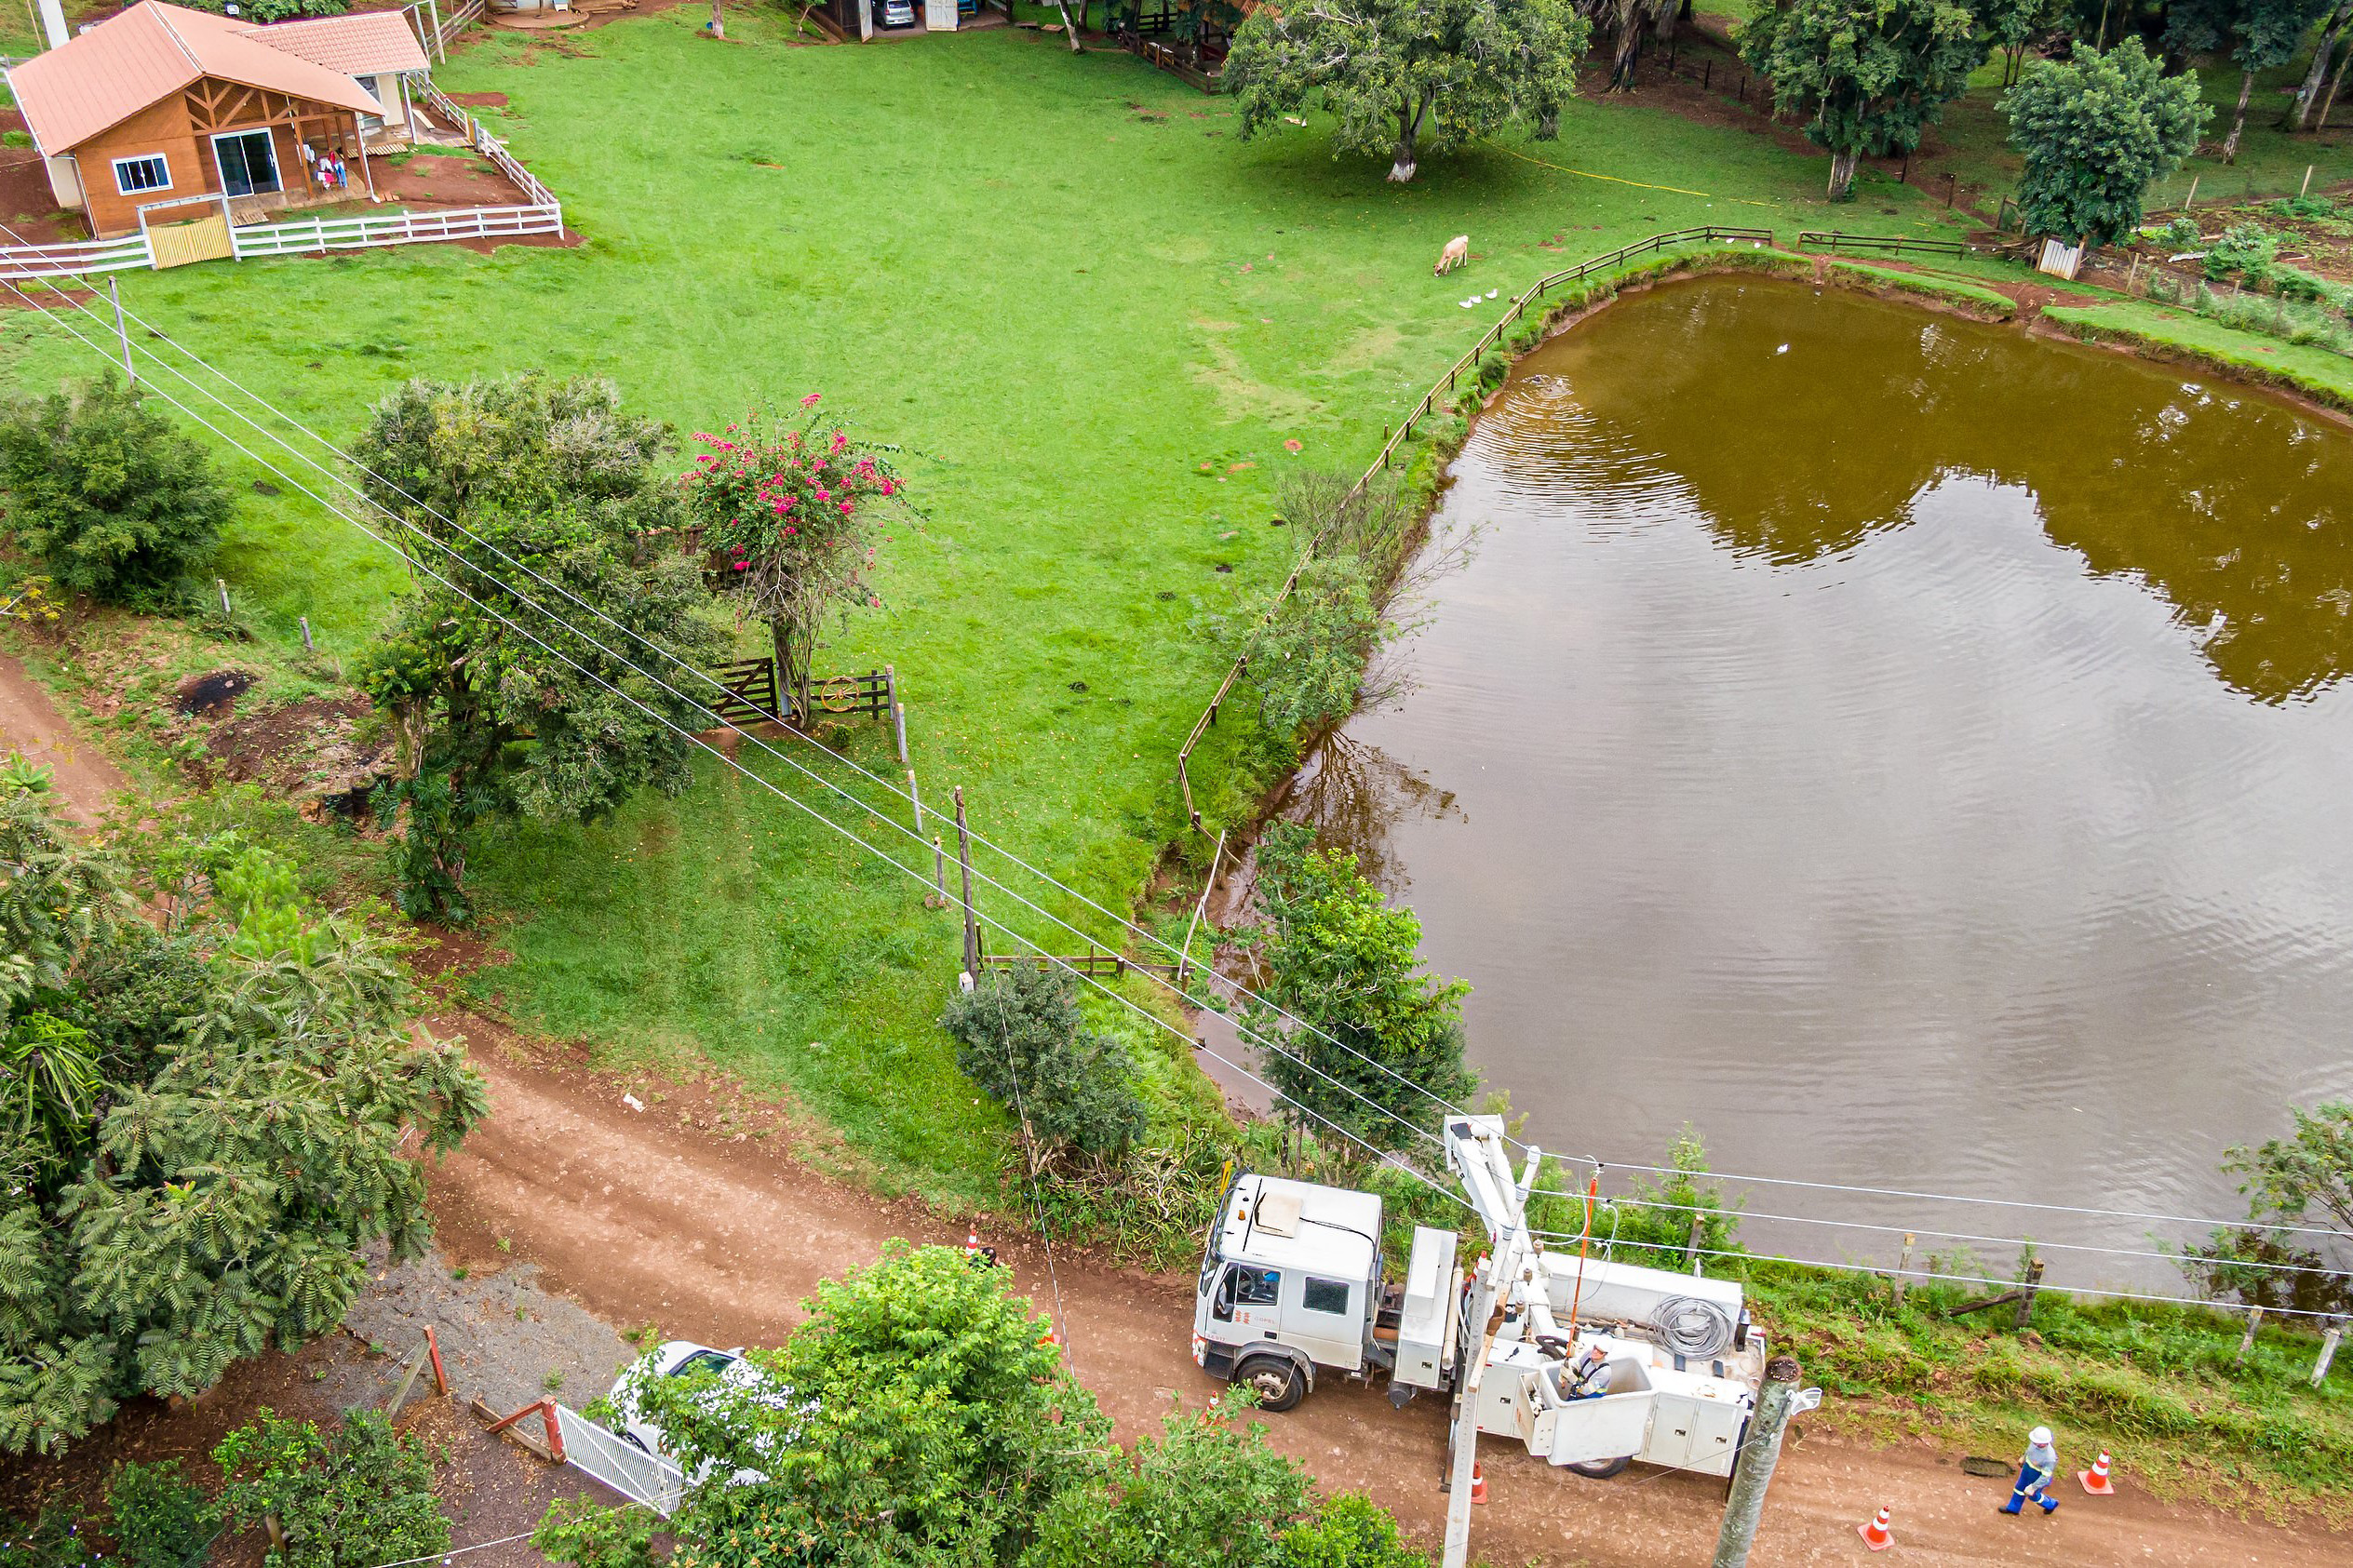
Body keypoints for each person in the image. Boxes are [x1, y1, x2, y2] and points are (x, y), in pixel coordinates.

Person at [2001, 1426, 2061, 1516]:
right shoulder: (2034, 1443)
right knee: (2019, 1489)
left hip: (2038, 1477)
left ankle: (2050, 1504)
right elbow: (2029, 1451)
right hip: (2027, 1470)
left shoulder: (2049, 1458)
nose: (2034, 1443)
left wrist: (2034, 1486)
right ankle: (2013, 1508)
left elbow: (2045, 1476)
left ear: (2044, 1443)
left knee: (2033, 1496)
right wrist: (2023, 1457)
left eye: (2036, 1442)